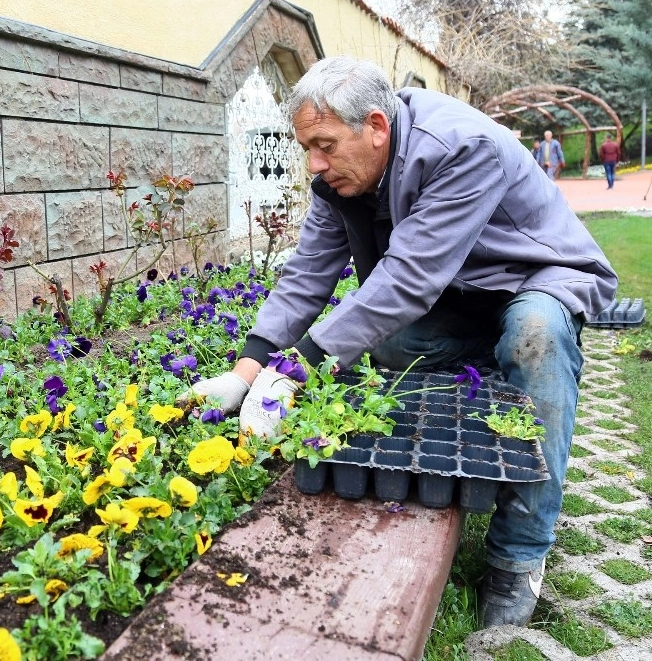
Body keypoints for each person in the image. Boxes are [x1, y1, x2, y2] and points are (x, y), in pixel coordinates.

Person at [183, 56, 617, 629]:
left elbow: (409, 278)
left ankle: (519, 554)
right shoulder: (343, 177)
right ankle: (469, 410)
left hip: (535, 279)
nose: (314, 163)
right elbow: (308, 273)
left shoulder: (463, 146)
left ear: (376, 127)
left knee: (535, 340)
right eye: (306, 147)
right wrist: (245, 373)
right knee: (382, 348)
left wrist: (296, 370)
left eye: (325, 144)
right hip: (458, 299)